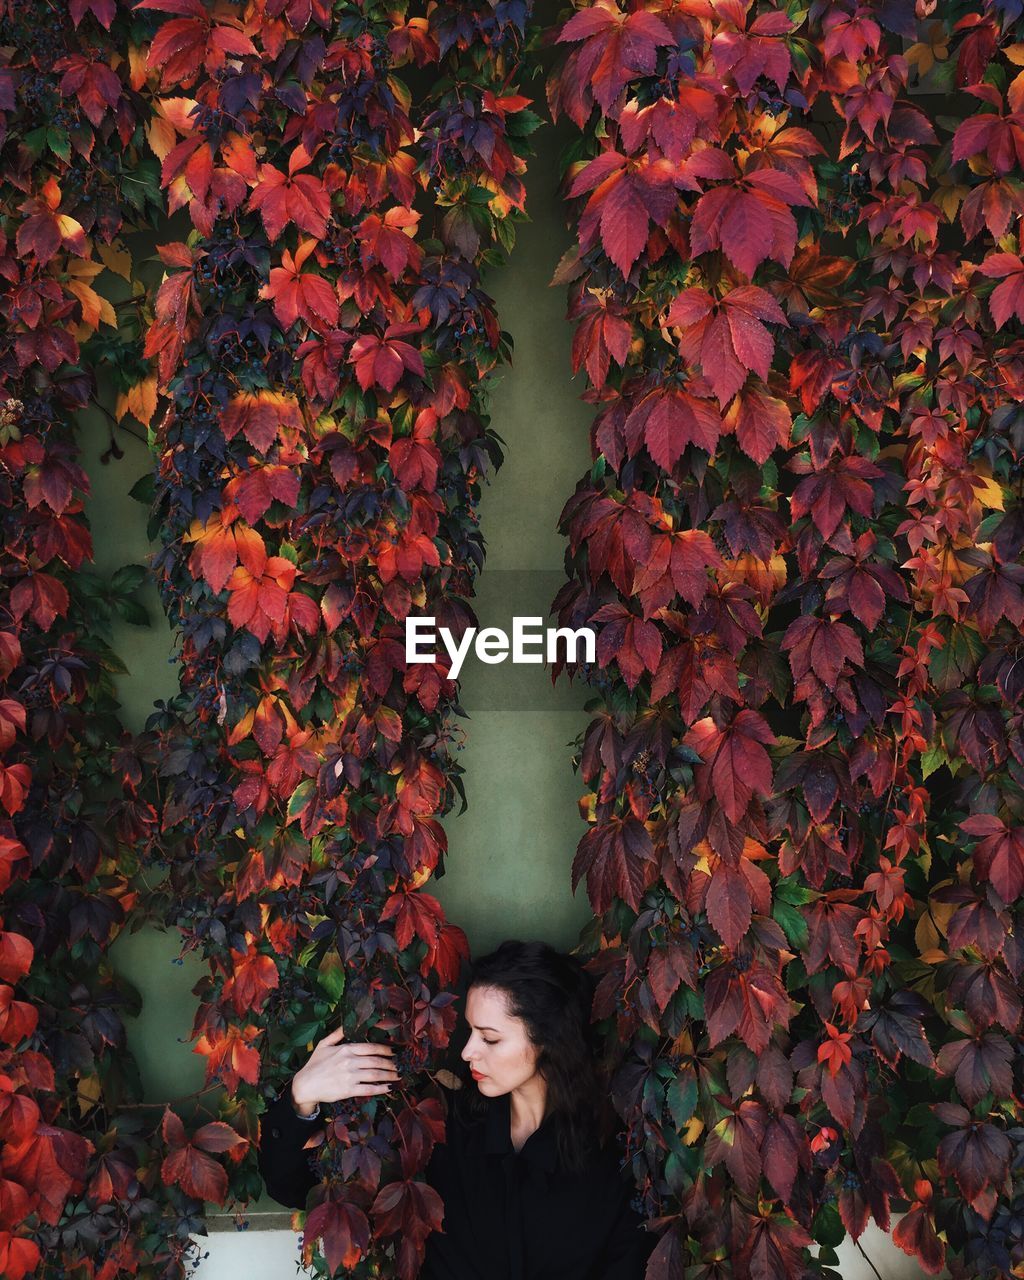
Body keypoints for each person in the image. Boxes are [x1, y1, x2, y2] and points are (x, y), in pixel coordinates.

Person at [258, 939, 656, 1279]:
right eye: (470, 1032)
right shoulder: (442, 1128)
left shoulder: (616, 1158)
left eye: (490, 1039)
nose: (467, 1052)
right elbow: (296, 1188)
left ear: (549, 1041)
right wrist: (302, 1095)